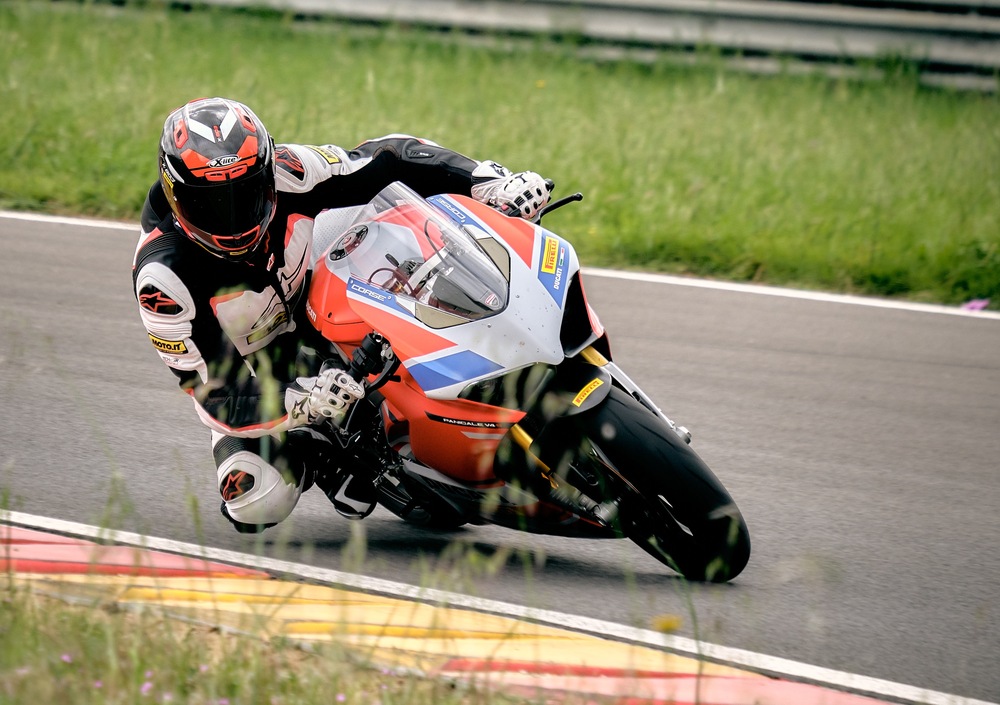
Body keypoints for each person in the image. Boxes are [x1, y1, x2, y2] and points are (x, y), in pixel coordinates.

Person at [132, 97, 552, 534]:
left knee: (387, 210)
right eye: (212, 205)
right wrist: (302, 400)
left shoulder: (290, 171)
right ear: (175, 197)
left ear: (268, 174)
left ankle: (485, 325)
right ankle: (322, 451)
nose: (234, 220)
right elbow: (216, 394)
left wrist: (485, 181)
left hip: (315, 290)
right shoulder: (162, 280)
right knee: (254, 499)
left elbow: (389, 157)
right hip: (260, 372)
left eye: (247, 195)